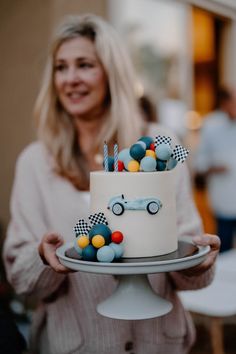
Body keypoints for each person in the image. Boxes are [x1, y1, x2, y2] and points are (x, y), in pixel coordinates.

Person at [3, 14, 220, 354]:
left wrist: (198, 262)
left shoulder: (159, 145)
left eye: (85, 65)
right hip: (73, 345)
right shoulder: (35, 161)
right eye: (61, 67)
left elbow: (185, 250)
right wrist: (42, 259)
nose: (70, 79)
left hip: (159, 343)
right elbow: (20, 278)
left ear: (111, 73)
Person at [195, 87, 236, 252]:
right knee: (224, 244)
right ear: (225, 103)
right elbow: (199, 162)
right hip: (223, 199)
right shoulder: (211, 124)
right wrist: (213, 167)